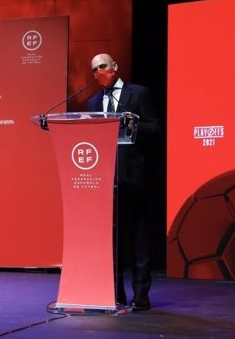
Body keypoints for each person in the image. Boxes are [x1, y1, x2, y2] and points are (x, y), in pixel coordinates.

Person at [87, 52, 160, 311]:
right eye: (95, 69)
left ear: (115, 66)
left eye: (103, 66)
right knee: (112, 240)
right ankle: (114, 292)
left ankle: (141, 294)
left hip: (133, 176)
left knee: (138, 237)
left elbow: (155, 128)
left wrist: (135, 124)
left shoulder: (138, 94)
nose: (99, 72)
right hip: (105, 179)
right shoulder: (93, 102)